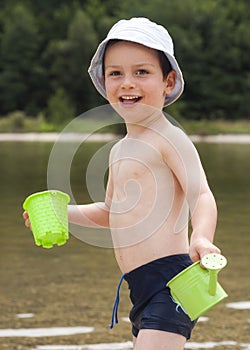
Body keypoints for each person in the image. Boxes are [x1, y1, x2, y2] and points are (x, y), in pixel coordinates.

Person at [23, 17, 221, 350]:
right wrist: (63, 211)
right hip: (138, 285)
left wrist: (201, 236)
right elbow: (110, 212)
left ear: (168, 82)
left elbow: (200, 193)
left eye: (141, 72)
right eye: (116, 73)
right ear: (104, 81)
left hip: (172, 279)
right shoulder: (118, 150)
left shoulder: (168, 137)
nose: (127, 83)